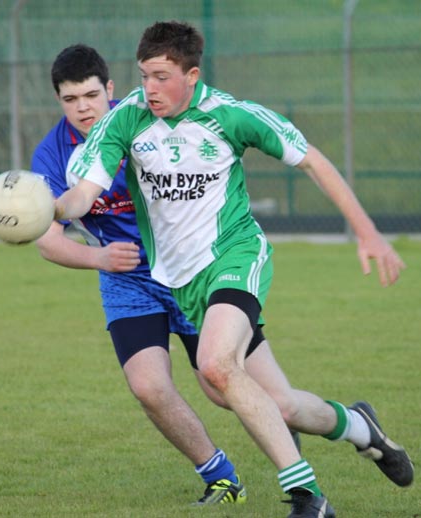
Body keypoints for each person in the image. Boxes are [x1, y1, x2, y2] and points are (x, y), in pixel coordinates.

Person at [54, 24, 414, 518]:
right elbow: (83, 195)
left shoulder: (232, 115)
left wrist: (367, 232)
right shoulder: (126, 121)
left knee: (216, 366)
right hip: (181, 280)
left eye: (161, 77)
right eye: (144, 76)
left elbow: (315, 162)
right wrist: (48, 209)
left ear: (191, 74)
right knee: (278, 404)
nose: (150, 88)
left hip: (236, 258)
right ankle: (358, 427)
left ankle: (309, 498)